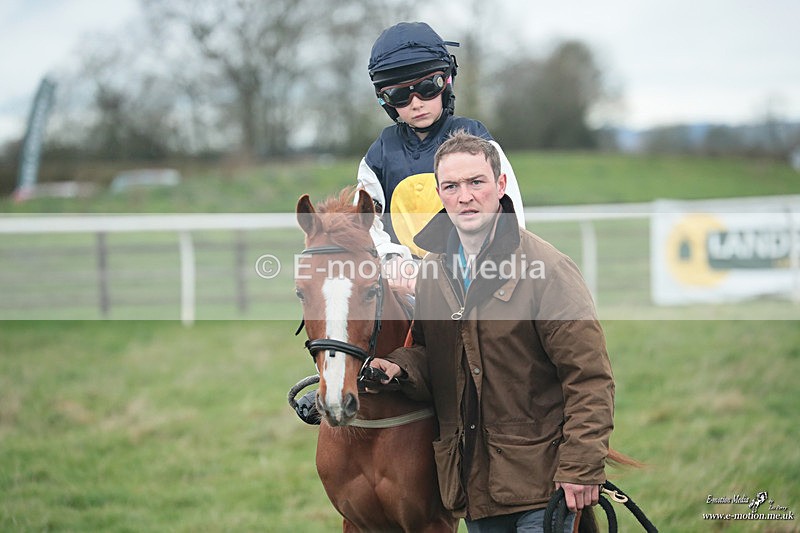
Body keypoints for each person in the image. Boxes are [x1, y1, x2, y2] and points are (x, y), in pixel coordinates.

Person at [368, 131, 615, 532]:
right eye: (451, 186)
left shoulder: (548, 269)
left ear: (500, 186)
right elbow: (436, 357)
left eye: (476, 182)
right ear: (439, 194)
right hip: (475, 489)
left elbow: (589, 377)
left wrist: (581, 467)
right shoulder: (433, 271)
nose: (464, 196)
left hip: (546, 487)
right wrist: (398, 369)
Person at [293, 21, 525, 424]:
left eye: (428, 87)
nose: (416, 102)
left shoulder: (477, 140)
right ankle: (340, 383)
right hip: (404, 282)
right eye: (401, 94)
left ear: (447, 81)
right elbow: (370, 224)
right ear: (386, 100)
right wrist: (396, 259)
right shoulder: (377, 156)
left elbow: (508, 217)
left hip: (473, 282)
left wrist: (442, 275)